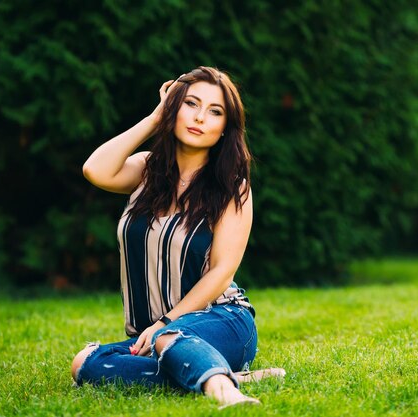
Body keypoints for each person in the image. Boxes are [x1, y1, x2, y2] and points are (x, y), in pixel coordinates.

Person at [71, 66, 284, 408]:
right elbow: (95, 169)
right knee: (85, 363)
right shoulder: (146, 170)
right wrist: (157, 117)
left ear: (224, 128)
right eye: (190, 104)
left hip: (223, 321)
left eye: (215, 112)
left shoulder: (232, 187)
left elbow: (221, 272)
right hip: (150, 334)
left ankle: (224, 390)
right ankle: (223, 372)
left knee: (171, 337)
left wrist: (166, 323)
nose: (200, 117)